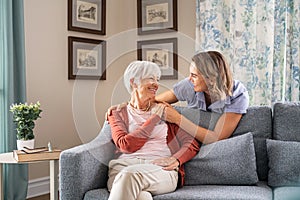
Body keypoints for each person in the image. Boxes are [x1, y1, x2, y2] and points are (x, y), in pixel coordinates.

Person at [106, 61, 200, 200]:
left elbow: (192, 142)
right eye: (151, 78)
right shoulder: (118, 112)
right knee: (142, 197)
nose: (156, 84)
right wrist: (154, 119)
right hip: (123, 166)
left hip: (159, 169)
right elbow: (125, 145)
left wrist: (176, 159)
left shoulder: (165, 110)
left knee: (130, 175)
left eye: (157, 79)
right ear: (134, 82)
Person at [155, 51, 249, 144]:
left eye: (194, 75)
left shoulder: (238, 94)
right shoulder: (189, 84)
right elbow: (154, 101)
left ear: (211, 79)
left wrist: (177, 119)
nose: (189, 79)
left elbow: (216, 138)